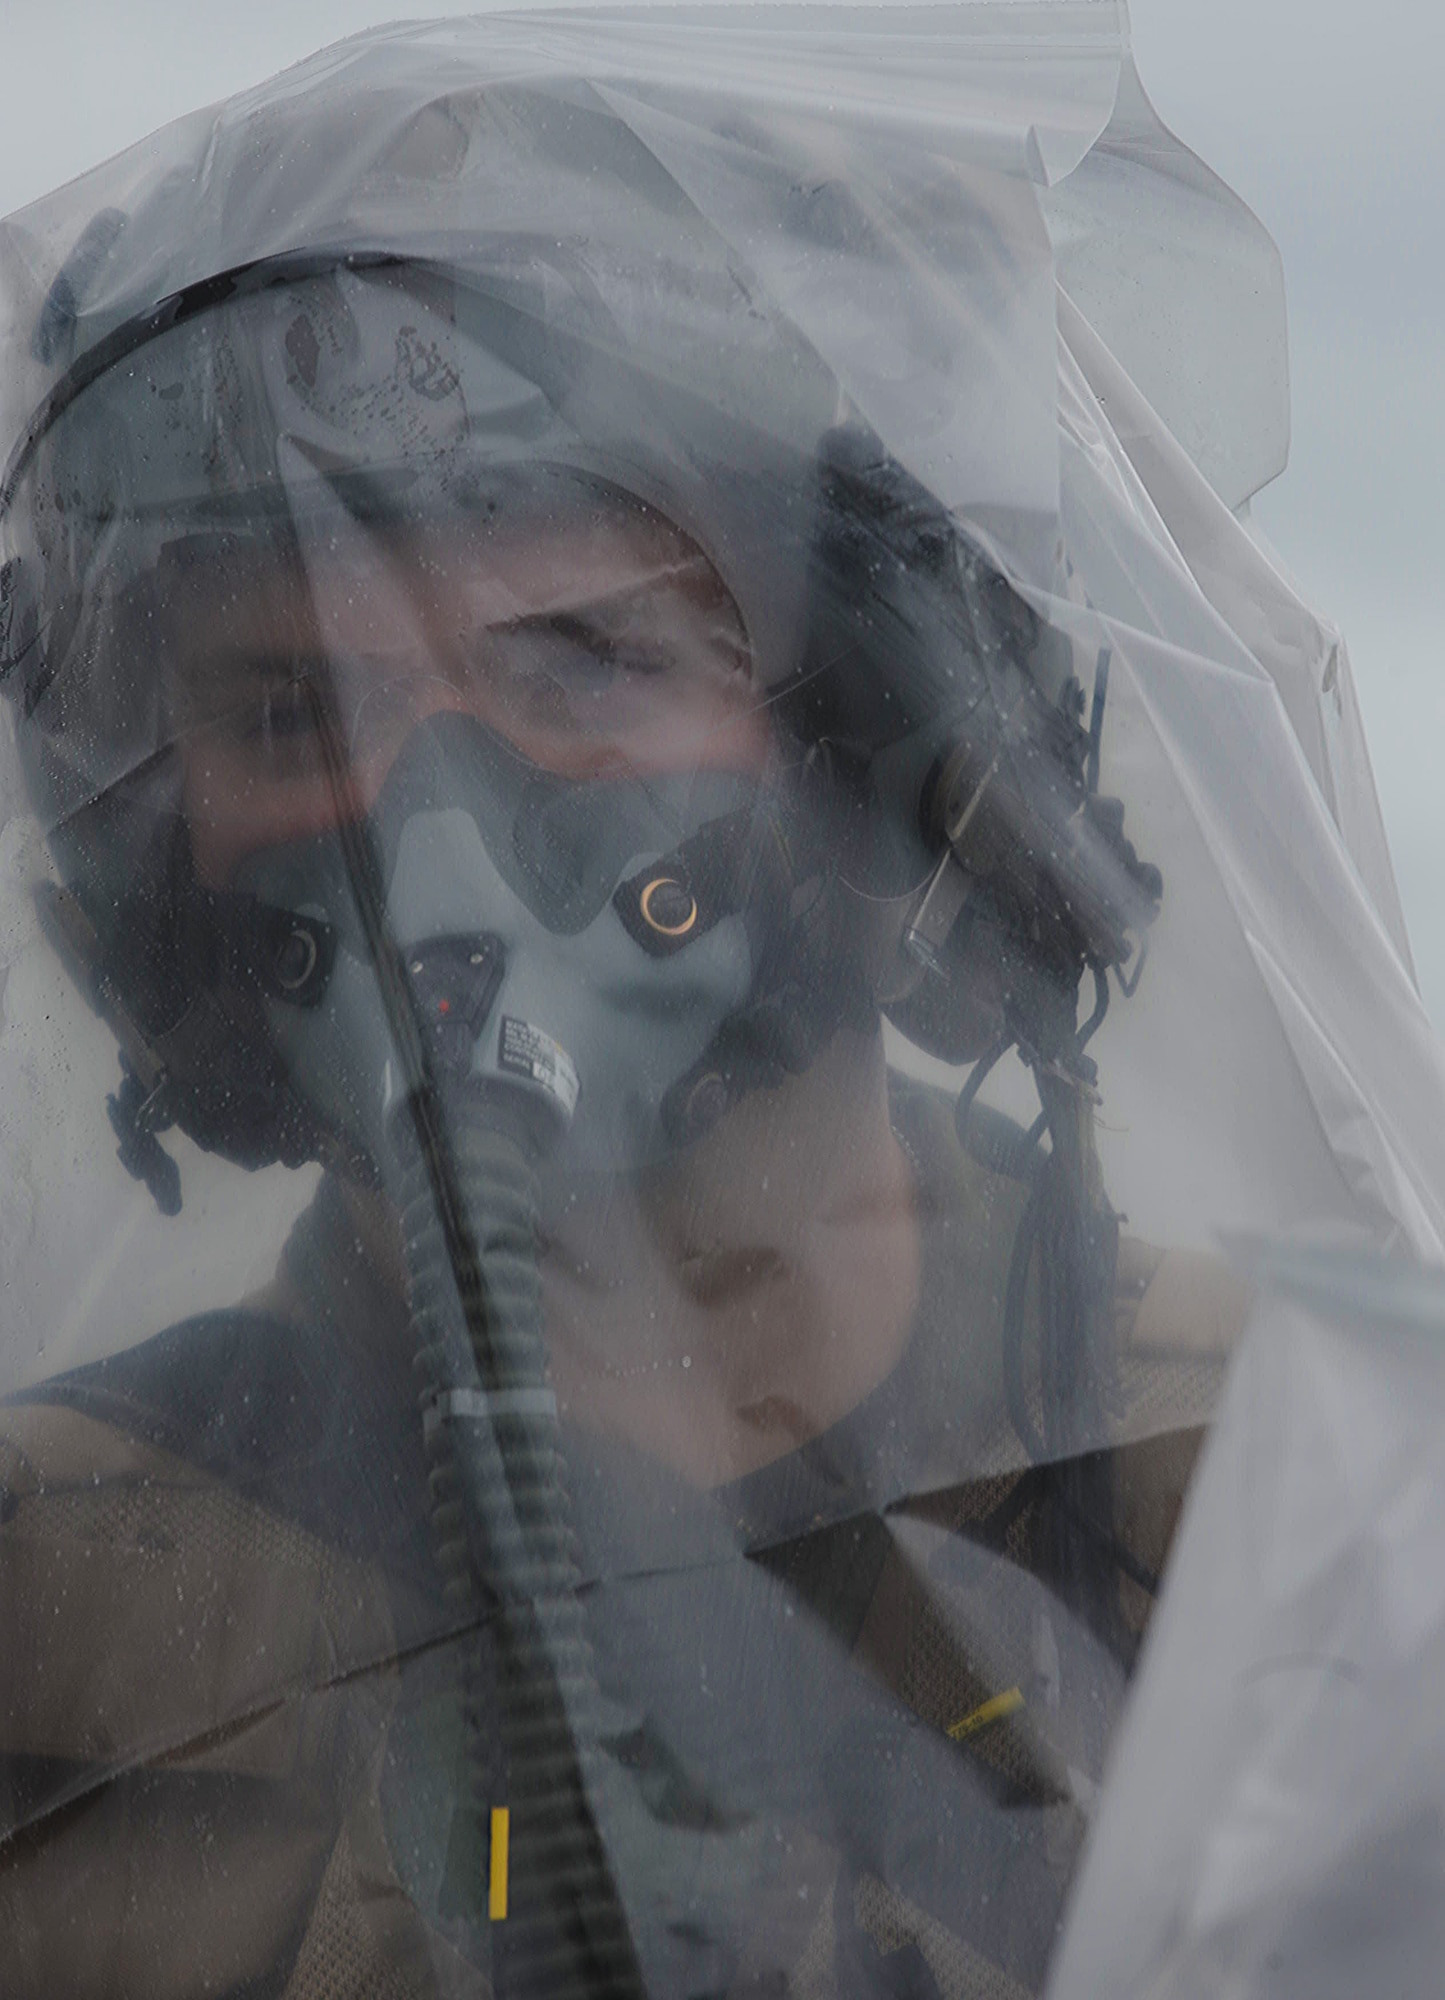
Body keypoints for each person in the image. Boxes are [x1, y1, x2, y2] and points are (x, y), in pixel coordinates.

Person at [0, 34, 1247, 2000]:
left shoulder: (1308, 1507)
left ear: (877, 729)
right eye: (288, 711)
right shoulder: (43, 1596)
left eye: (582, 655)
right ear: (161, 882)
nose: (433, 851)